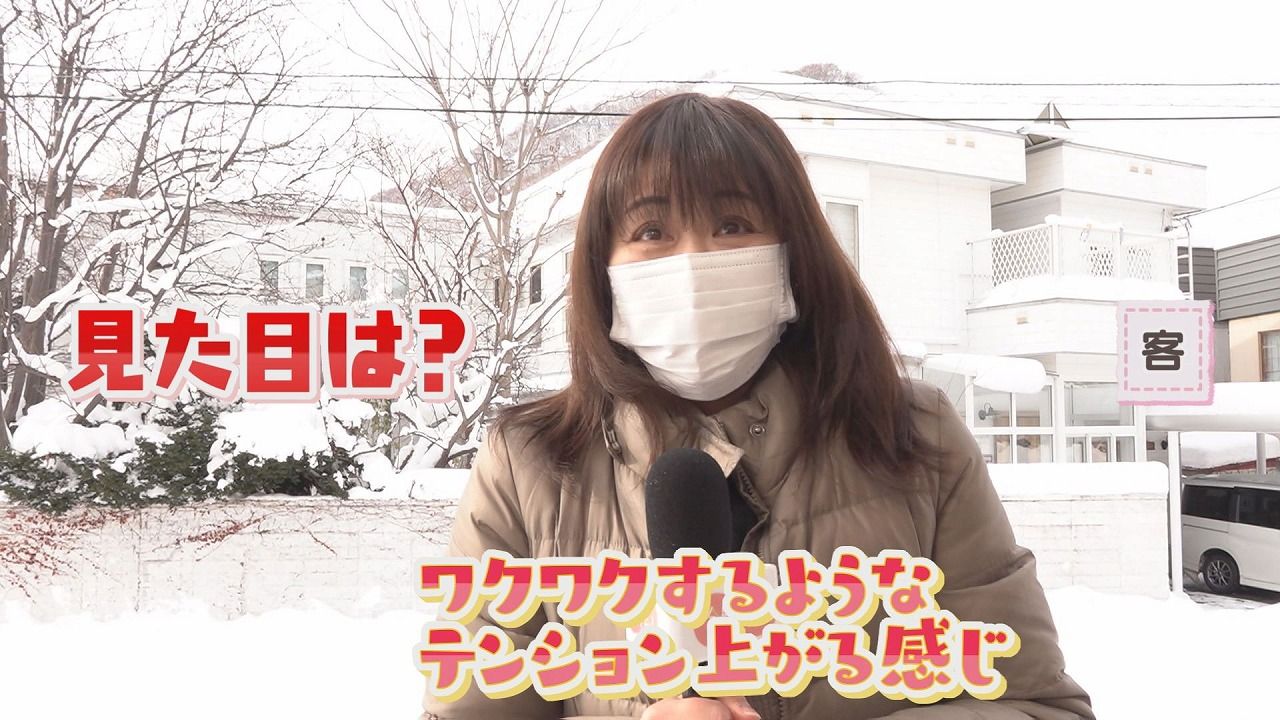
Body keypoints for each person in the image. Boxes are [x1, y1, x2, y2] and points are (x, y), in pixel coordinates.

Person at [421, 93, 1094, 720]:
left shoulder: (915, 439)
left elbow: (1034, 704)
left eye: (732, 224)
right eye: (651, 230)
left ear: (792, 255)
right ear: (604, 267)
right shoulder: (527, 465)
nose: (693, 262)